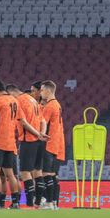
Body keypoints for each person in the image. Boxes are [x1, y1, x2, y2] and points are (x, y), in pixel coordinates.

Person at [0, 79, 45, 209]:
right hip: (11, 143)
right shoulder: (15, 101)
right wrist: (39, 133)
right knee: (11, 174)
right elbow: (22, 119)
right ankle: (16, 203)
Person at [7, 84, 46, 207]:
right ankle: (38, 203)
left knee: (25, 172)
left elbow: (23, 123)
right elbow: (43, 120)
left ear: (11, 93)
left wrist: (36, 134)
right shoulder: (33, 100)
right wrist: (41, 134)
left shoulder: (19, 101)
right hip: (39, 141)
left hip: (28, 140)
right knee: (37, 171)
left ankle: (29, 203)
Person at [40, 80, 65, 210]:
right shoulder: (57, 105)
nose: (41, 92)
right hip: (56, 144)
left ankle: (48, 202)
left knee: (46, 174)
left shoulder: (50, 106)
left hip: (48, 143)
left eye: (42, 90)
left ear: (48, 91)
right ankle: (54, 203)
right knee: (53, 175)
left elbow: (42, 122)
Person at [29, 81, 47, 206]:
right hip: (42, 139)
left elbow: (43, 121)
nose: (32, 93)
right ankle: (43, 200)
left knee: (35, 172)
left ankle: (39, 200)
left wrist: (40, 134)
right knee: (37, 171)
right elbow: (44, 122)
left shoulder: (39, 107)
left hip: (37, 141)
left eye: (33, 90)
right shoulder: (41, 106)